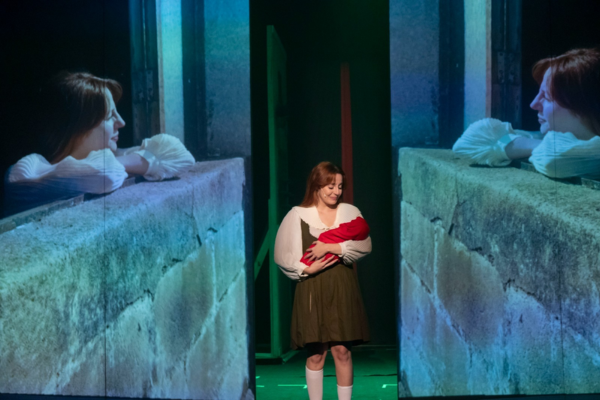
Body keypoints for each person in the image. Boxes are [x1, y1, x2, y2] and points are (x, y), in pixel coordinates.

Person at [4, 72, 195, 216]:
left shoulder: (110, 158)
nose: (122, 122)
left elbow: (180, 156)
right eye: (110, 116)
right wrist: (136, 163)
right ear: (77, 126)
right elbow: (104, 174)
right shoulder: (24, 171)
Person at [274, 161, 372, 400]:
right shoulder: (297, 214)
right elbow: (282, 255)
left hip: (341, 285)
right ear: (317, 186)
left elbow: (365, 245)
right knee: (316, 353)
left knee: (342, 351)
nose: (336, 191)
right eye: (330, 186)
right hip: (312, 287)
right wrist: (307, 269)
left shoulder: (350, 212)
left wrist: (331, 247)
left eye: (340, 186)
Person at [453, 48, 600, 179]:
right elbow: (469, 142)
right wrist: (538, 144)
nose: (534, 104)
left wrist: (521, 146)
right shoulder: (544, 139)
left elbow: (553, 159)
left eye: (547, 97)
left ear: (587, 105)